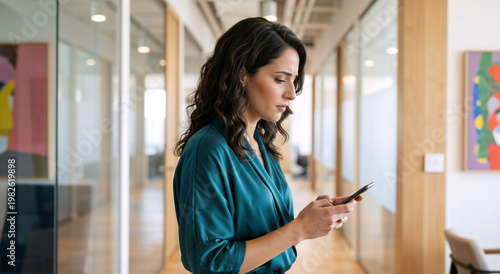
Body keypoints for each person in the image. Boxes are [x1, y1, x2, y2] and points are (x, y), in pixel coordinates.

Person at [173, 17, 362, 274]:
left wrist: (314, 218)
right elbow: (209, 261)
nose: (292, 93)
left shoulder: (260, 143)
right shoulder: (208, 149)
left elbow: (265, 229)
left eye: (293, 80)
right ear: (242, 75)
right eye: (279, 79)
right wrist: (299, 229)